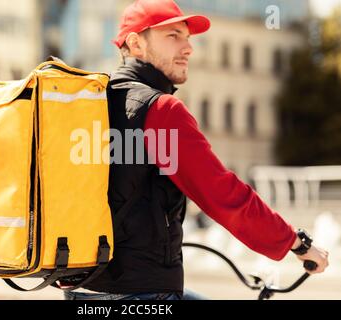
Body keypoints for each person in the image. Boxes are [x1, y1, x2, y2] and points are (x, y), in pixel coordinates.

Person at [64, 0, 329, 300]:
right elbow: (222, 194)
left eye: (187, 38)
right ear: (136, 43)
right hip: (142, 293)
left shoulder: (90, 103)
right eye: (173, 36)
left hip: (82, 289)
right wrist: (296, 243)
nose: (188, 48)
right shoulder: (161, 110)